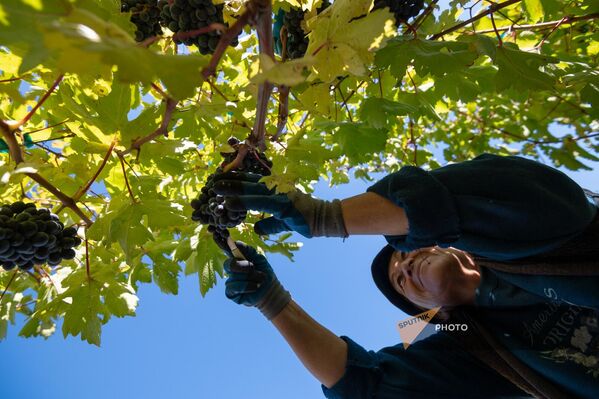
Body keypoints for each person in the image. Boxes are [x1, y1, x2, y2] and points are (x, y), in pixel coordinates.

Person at [213, 153, 599, 399]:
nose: (403, 266)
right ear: (429, 310)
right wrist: (273, 301)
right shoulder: (470, 345)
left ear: (443, 243)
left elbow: (519, 193)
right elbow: (367, 385)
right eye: (400, 282)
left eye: (405, 252)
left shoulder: (518, 238)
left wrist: (327, 217)